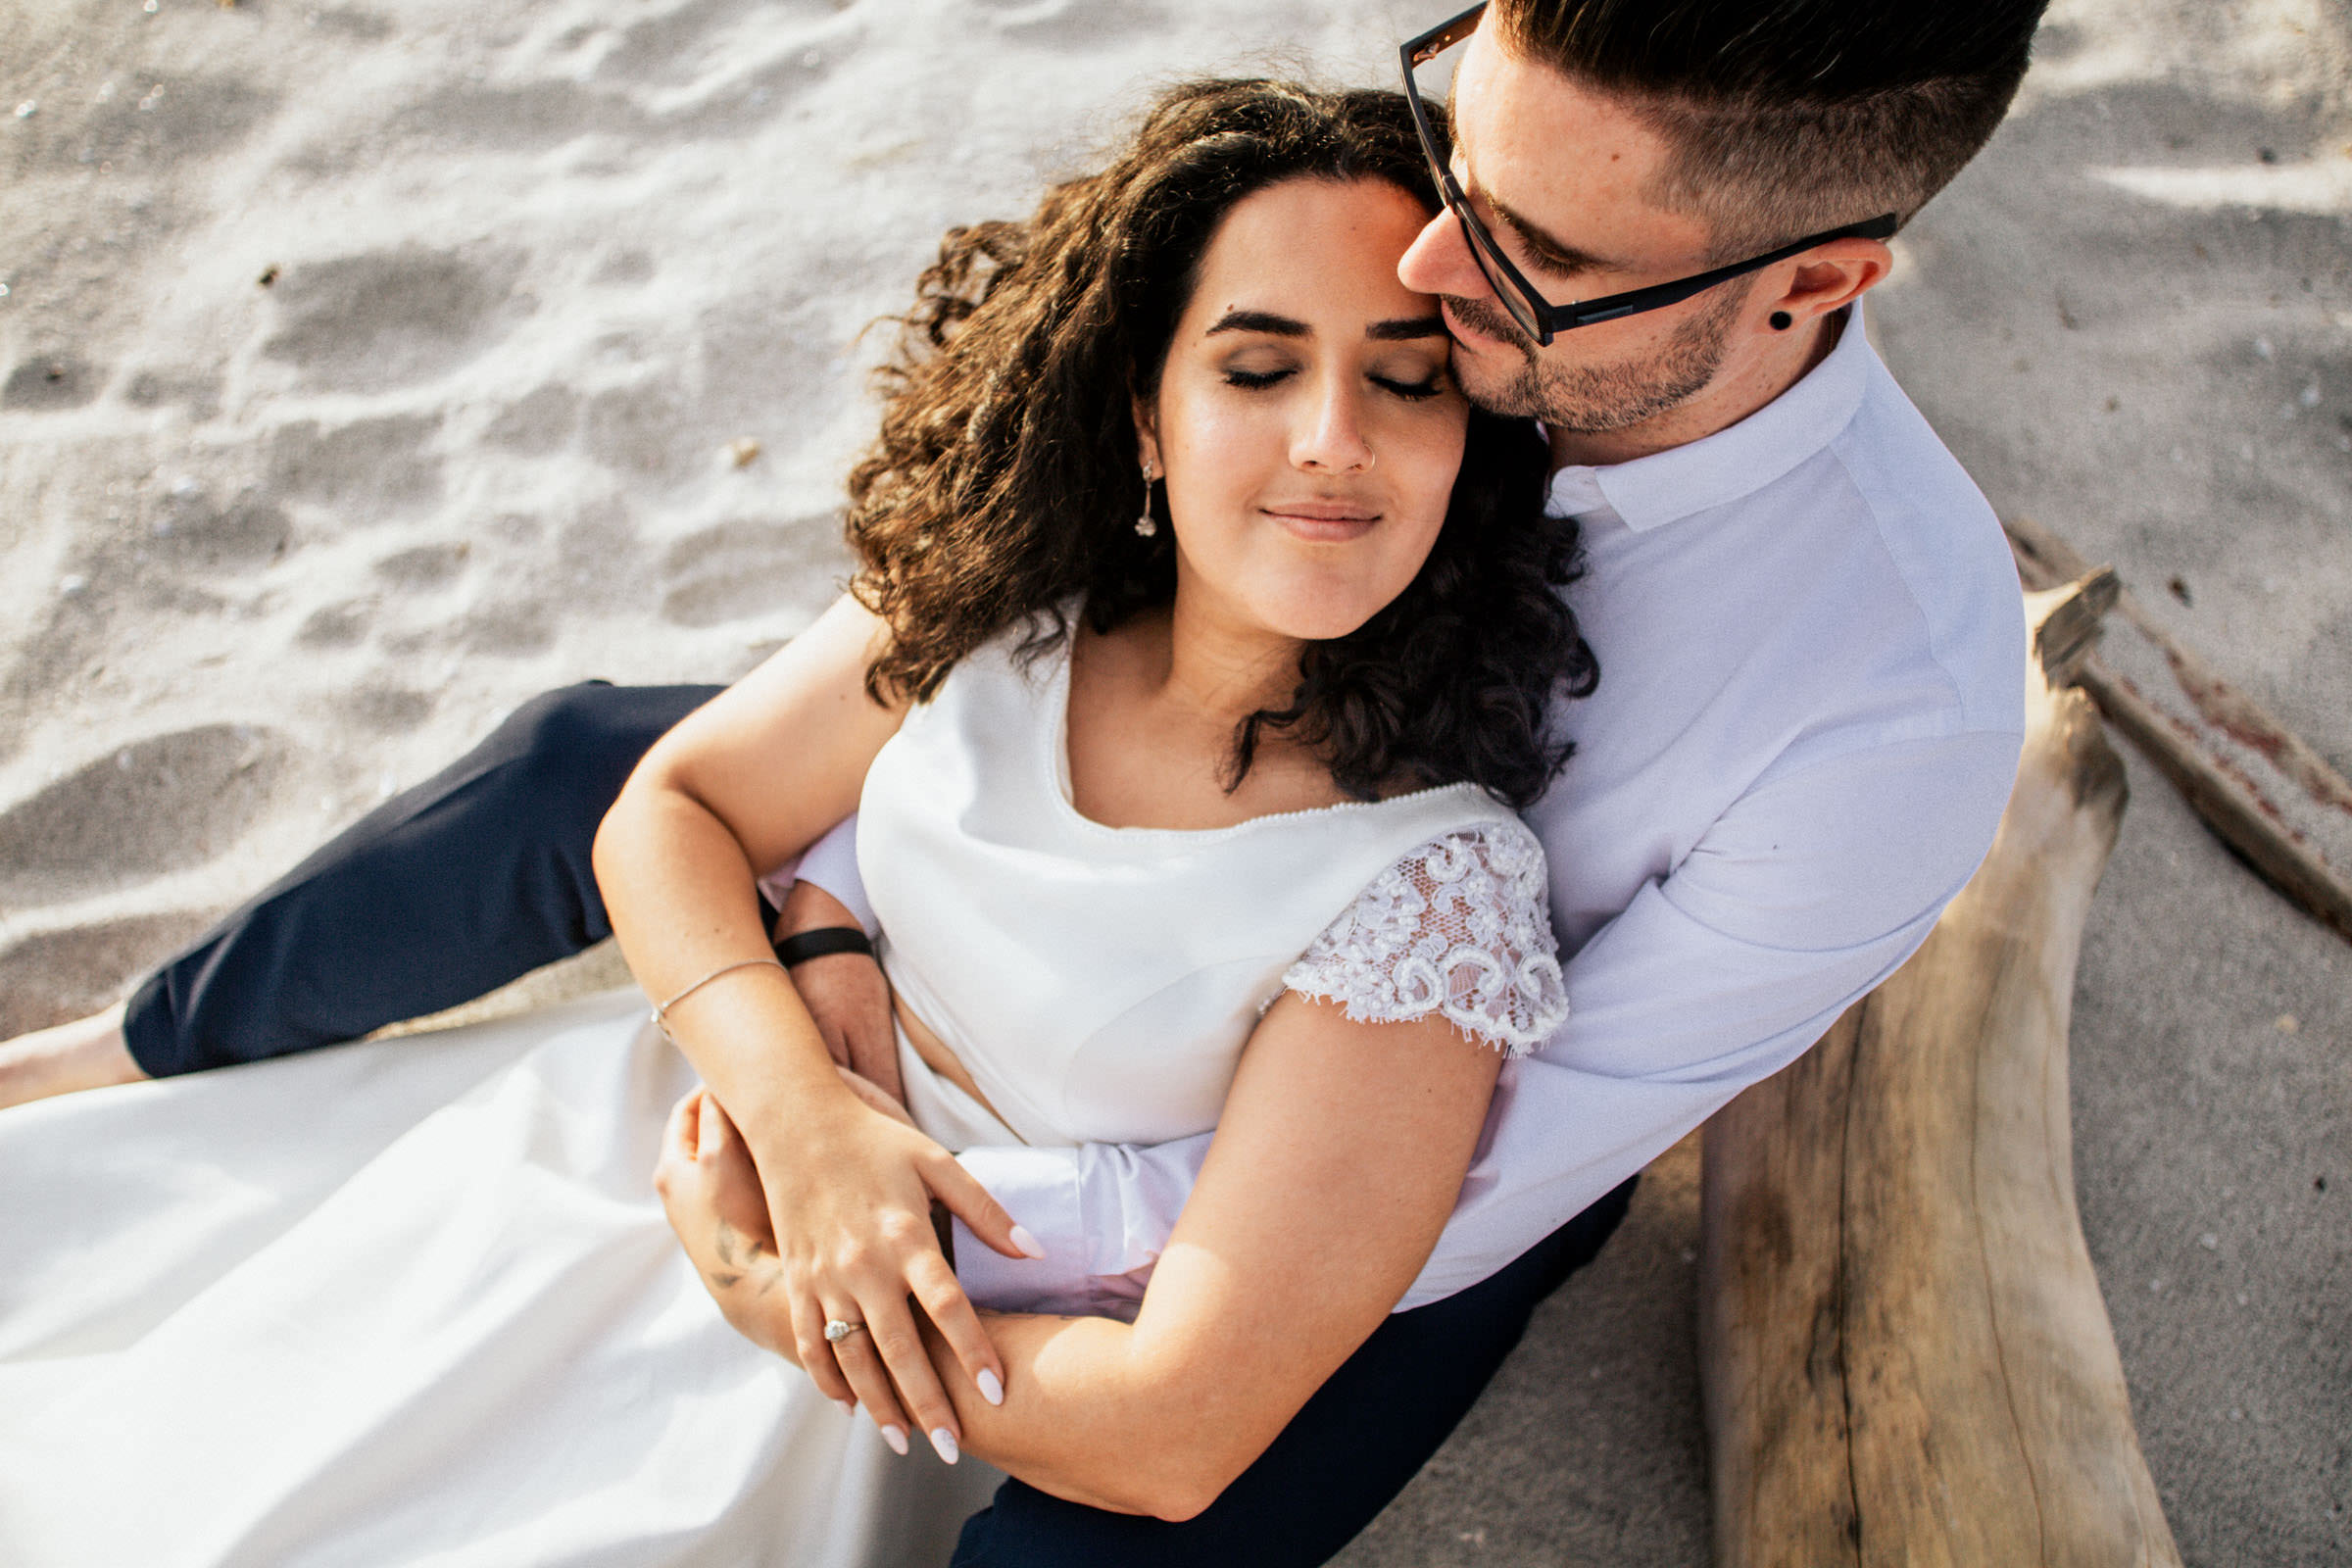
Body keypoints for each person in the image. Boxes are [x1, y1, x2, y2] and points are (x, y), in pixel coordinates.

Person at [0, 0, 2049, 1561]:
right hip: (1064, 851)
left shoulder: (1890, 710)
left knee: (1113, 1525)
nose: (1424, 272)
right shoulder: (1440, 286)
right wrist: (825, 942)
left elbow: (1434, 1194)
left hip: (1343, 1157)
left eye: (1514, 258)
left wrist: (849, 1220)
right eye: (1456, 135)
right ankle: (141, 1051)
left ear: (1814, 282)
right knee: (581, 764)